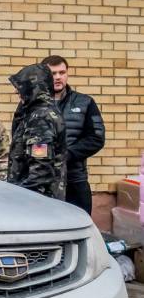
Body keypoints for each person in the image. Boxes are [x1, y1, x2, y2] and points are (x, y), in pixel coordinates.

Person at [43, 55, 105, 215]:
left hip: (75, 180)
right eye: (53, 73)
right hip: (42, 181)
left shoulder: (84, 102)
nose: (57, 77)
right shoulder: (32, 105)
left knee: (80, 227)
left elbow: (96, 138)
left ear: (67, 74)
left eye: (61, 72)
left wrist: (67, 155)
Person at [7, 63, 67, 200]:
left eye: (20, 88)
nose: (16, 92)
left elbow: (41, 170)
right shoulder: (36, 113)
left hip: (36, 201)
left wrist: (19, 197)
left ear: (32, 88)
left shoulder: (40, 117)